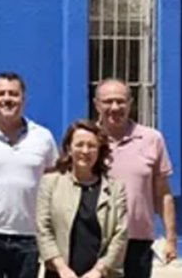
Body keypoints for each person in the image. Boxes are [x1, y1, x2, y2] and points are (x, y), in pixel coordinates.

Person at [0, 72, 58, 278]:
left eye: (13, 94)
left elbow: (54, 184)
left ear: (23, 99)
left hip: (29, 237)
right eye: (1, 94)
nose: (7, 99)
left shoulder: (43, 138)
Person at [93, 78, 176, 277]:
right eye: (108, 101)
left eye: (121, 101)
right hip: (96, 240)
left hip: (137, 241)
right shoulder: (88, 140)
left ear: (130, 103)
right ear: (96, 104)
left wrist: (171, 238)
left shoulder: (152, 139)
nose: (115, 107)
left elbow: (163, 194)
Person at [36, 119, 129, 278]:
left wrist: (98, 271)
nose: (85, 151)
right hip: (59, 273)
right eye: (79, 145)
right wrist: (62, 268)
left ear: (100, 150)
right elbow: (43, 228)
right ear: (69, 148)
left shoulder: (115, 188)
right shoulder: (50, 182)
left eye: (91, 146)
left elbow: (120, 235)